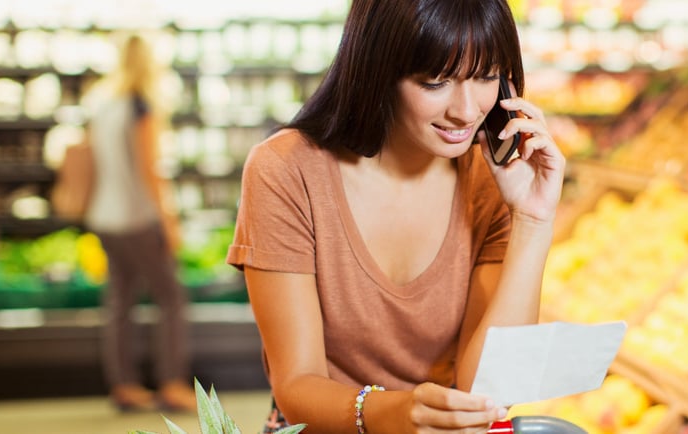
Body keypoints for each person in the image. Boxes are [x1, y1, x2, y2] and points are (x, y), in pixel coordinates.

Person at [226, 0, 565, 432]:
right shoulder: (286, 170)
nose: (465, 110)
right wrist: (398, 413)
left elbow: (488, 391)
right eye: (435, 82)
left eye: (485, 77)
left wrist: (533, 221)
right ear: (377, 69)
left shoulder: (491, 179)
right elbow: (296, 385)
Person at [82, 33, 195, 413]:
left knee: (119, 301)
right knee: (172, 298)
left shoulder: (103, 104)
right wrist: (170, 222)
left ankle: (125, 385)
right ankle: (173, 384)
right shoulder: (140, 106)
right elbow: (151, 171)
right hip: (137, 218)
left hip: (104, 215)